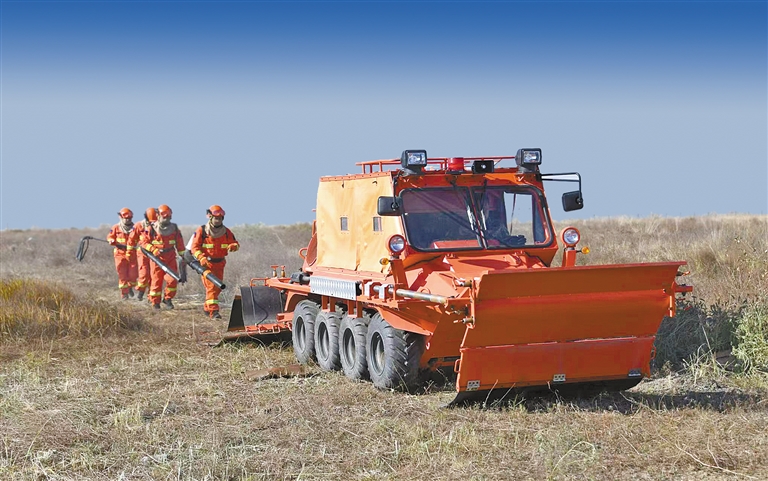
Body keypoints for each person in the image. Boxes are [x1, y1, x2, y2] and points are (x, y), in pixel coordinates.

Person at [190, 204, 239, 319]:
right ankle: (214, 312)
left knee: (217, 288)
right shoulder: (202, 231)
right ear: (210, 217)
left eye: (220, 218)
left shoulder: (226, 232)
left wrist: (233, 246)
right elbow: (194, 247)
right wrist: (201, 258)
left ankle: (207, 308)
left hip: (220, 264)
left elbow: (235, 243)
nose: (218, 220)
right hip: (207, 264)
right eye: (216, 218)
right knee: (212, 287)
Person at [142, 204, 186, 310]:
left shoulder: (174, 229)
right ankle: (155, 303)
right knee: (156, 281)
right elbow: (143, 242)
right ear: (158, 216)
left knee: (173, 280)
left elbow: (180, 244)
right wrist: (153, 249)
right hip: (156, 259)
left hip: (170, 258)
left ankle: (168, 298)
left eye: (168, 216)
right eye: (164, 216)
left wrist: (183, 256)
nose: (166, 218)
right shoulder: (151, 228)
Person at [107, 208, 138, 299]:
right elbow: (110, 236)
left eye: (129, 218)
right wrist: (111, 240)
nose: (128, 220)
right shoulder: (115, 227)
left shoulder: (136, 228)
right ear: (121, 217)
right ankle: (124, 294)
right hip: (120, 253)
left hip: (132, 253)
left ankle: (130, 287)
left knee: (133, 275)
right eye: (126, 218)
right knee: (122, 274)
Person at [127, 207, 158, 301]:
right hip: (143, 253)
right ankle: (140, 293)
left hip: (155, 254)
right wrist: (129, 253)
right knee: (144, 274)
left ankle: (151, 297)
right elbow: (131, 239)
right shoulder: (139, 225)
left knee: (154, 276)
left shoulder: (159, 226)